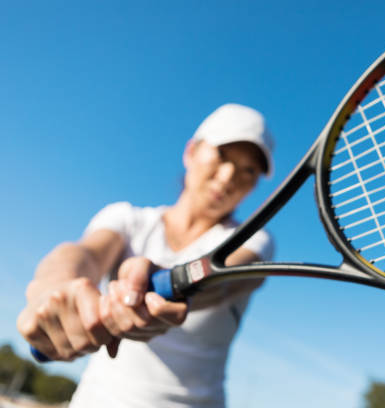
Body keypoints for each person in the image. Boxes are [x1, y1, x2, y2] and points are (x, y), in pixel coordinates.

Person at [17, 103, 275, 407]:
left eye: (249, 170)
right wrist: (56, 285)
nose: (230, 175)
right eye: (222, 155)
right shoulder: (127, 219)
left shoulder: (255, 242)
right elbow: (84, 254)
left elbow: (225, 280)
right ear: (191, 152)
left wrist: (166, 285)